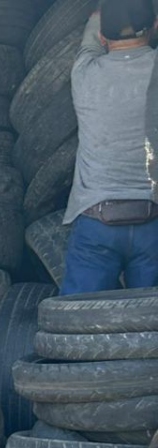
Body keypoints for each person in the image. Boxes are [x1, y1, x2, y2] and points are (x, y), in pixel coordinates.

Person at [60, 0, 158, 295]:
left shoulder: (84, 74)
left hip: (96, 224)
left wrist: (97, 18)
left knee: (77, 326)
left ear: (103, 37)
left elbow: (92, 33)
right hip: (153, 223)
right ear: (154, 27)